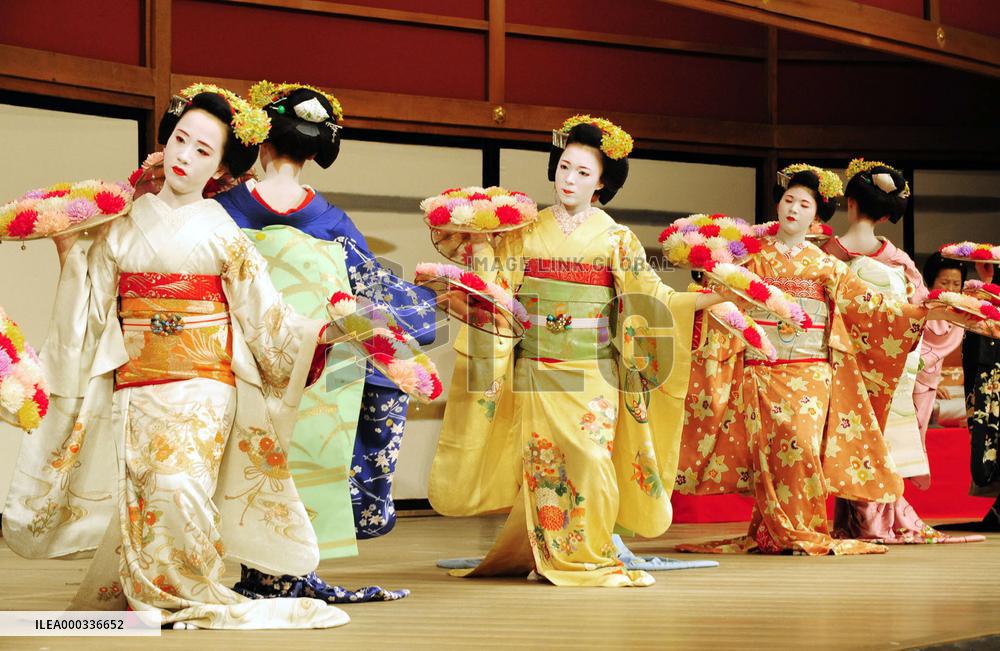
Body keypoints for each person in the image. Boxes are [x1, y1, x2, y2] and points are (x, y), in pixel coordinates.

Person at [3, 83, 348, 629]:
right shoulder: (122, 224)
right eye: (181, 140)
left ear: (219, 167)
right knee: (144, 490)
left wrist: (322, 330)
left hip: (207, 385)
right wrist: (71, 251)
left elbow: (269, 318)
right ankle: (157, 590)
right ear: (166, 142)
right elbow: (91, 306)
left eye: (203, 150)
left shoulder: (225, 233)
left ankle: (191, 587)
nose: (185, 156)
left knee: (180, 484)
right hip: (138, 381)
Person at [424, 115, 723, 587]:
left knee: (589, 454)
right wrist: (477, 250)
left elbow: (654, 299)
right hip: (538, 365)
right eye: (565, 167)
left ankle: (591, 550)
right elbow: (497, 288)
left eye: (584, 172)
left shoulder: (617, 239)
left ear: (603, 182)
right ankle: (548, 552)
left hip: (594, 367)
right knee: (543, 460)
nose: (569, 179)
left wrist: (714, 296)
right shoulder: (524, 231)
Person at [215, 81, 435, 602]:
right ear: (315, 152)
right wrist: (431, 300)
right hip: (314, 364)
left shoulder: (223, 210)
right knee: (304, 457)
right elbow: (375, 295)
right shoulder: (331, 223)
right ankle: (291, 572)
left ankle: (258, 572)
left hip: (241, 355)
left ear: (262, 144)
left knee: (246, 457)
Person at [675, 163, 964, 555]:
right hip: (761, 366)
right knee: (770, 452)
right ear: (778, 204)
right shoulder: (752, 258)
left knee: (802, 444)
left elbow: (873, 305)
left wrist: (928, 311)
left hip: (811, 370)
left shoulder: (825, 264)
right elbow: (719, 294)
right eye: (789, 200)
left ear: (817, 215)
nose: (793, 208)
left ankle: (804, 526)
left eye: (805, 204)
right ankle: (773, 530)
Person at [824, 159, 983, 544]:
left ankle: (862, 520)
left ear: (850, 203)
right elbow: (922, 314)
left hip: (844, 361)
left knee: (853, 441)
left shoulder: (828, 255)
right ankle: (876, 518)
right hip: (892, 362)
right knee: (884, 441)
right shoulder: (899, 261)